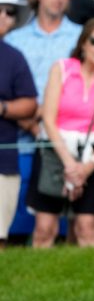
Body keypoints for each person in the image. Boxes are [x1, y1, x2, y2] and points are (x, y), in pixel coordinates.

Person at [26, 17, 94, 247]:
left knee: (87, 227)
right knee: (45, 226)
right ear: (84, 43)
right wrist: (69, 164)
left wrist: (89, 165)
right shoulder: (62, 68)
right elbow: (48, 118)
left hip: (90, 155)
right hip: (54, 152)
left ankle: (88, 281)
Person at [5, 0, 82, 138]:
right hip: (18, 137)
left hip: (63, 139)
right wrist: (26, 119)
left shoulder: (81, 37)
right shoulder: (15, 38)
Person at [0, 37, 37, 248]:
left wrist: (3, 108)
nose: (4, 16)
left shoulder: (12, 57)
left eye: (9, 12)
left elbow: (30, 103)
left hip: (2, 160)